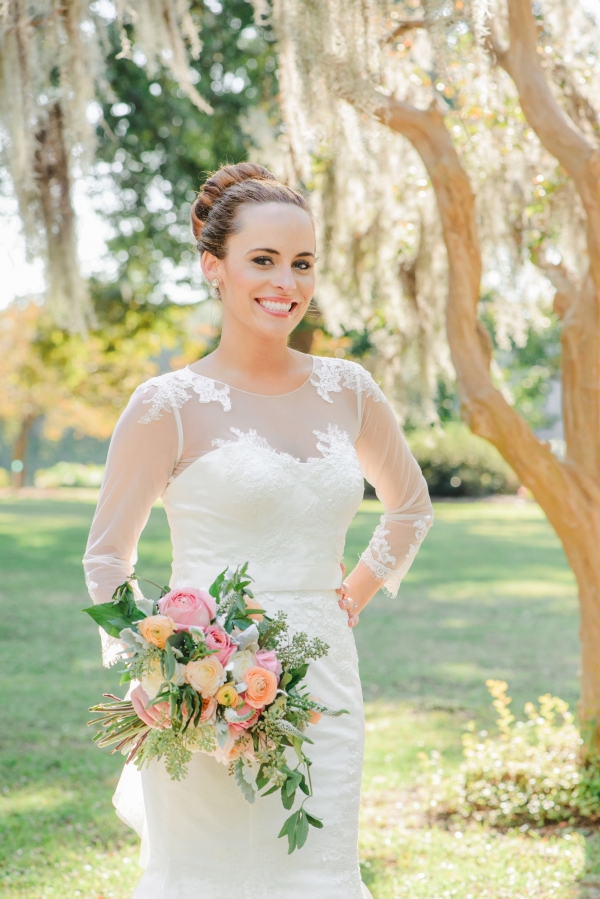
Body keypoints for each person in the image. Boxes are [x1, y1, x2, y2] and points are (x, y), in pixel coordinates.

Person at [83, 162, 433, 899]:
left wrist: (351, 595)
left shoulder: (349, 389)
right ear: (214, 267)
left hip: (324, 678)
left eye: (302, 263)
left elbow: (409, 508)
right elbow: (108, 556)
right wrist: (168, 671)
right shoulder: (166, 405)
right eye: (264, 261)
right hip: (205, 692)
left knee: (317, 872)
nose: (287, 283)